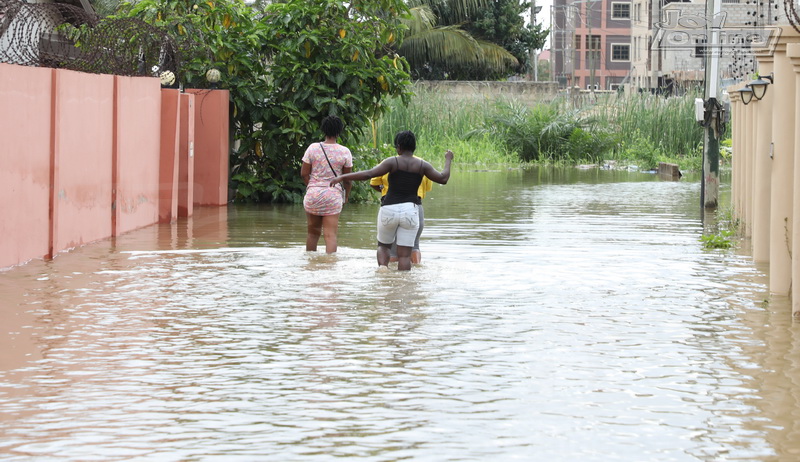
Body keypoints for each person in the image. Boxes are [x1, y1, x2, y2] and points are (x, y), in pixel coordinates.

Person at [331, 130, 453, 270]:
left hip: (389, 209)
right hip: (410, 211)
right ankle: (403, 285)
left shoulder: (392, 162)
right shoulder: (422, 165)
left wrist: (342, 177)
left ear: (399, 147)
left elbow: (368, 174)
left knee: (383, 247)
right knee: (405, 256)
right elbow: (443, 178)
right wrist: (448, 159)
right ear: (414, 147)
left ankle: (383, 272)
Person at [301, 115, 352, 253]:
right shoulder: (344, 151)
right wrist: (346, 196)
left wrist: (313, 187)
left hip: (313, 195)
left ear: (323, 130)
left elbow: (304, 174)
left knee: (312, 234)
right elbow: (347, 179)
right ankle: (331, 268)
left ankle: (310, 264)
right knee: (330, 236)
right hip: (333, 196)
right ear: (339, 131)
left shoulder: (312, 148)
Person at [370, 160, 432, 264]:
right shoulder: (421, 165)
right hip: (414, 207)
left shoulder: (387, 163)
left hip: (390, 205)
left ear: (398, 147)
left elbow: (373, 182)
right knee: (414, 245)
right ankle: (415, 269)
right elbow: (427, 187)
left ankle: (387, 274)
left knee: (390, 248)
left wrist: (383, 189)